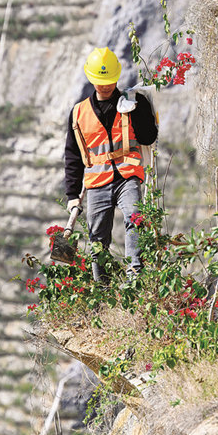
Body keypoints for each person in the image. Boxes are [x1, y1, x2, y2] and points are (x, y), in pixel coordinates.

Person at [64, 47, 158, 282]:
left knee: (135, 217)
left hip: (128, 175)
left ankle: (134, 277)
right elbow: (73, 155)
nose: (104, 86)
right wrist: (72, 195)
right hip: (96, 182)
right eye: (99, 81)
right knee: (98, 238)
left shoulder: (135, 101)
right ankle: (102, 287)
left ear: (116, 77)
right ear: (91, 78)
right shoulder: (78, 113)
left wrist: (135, 112)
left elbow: (148, 137)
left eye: (108, 81)